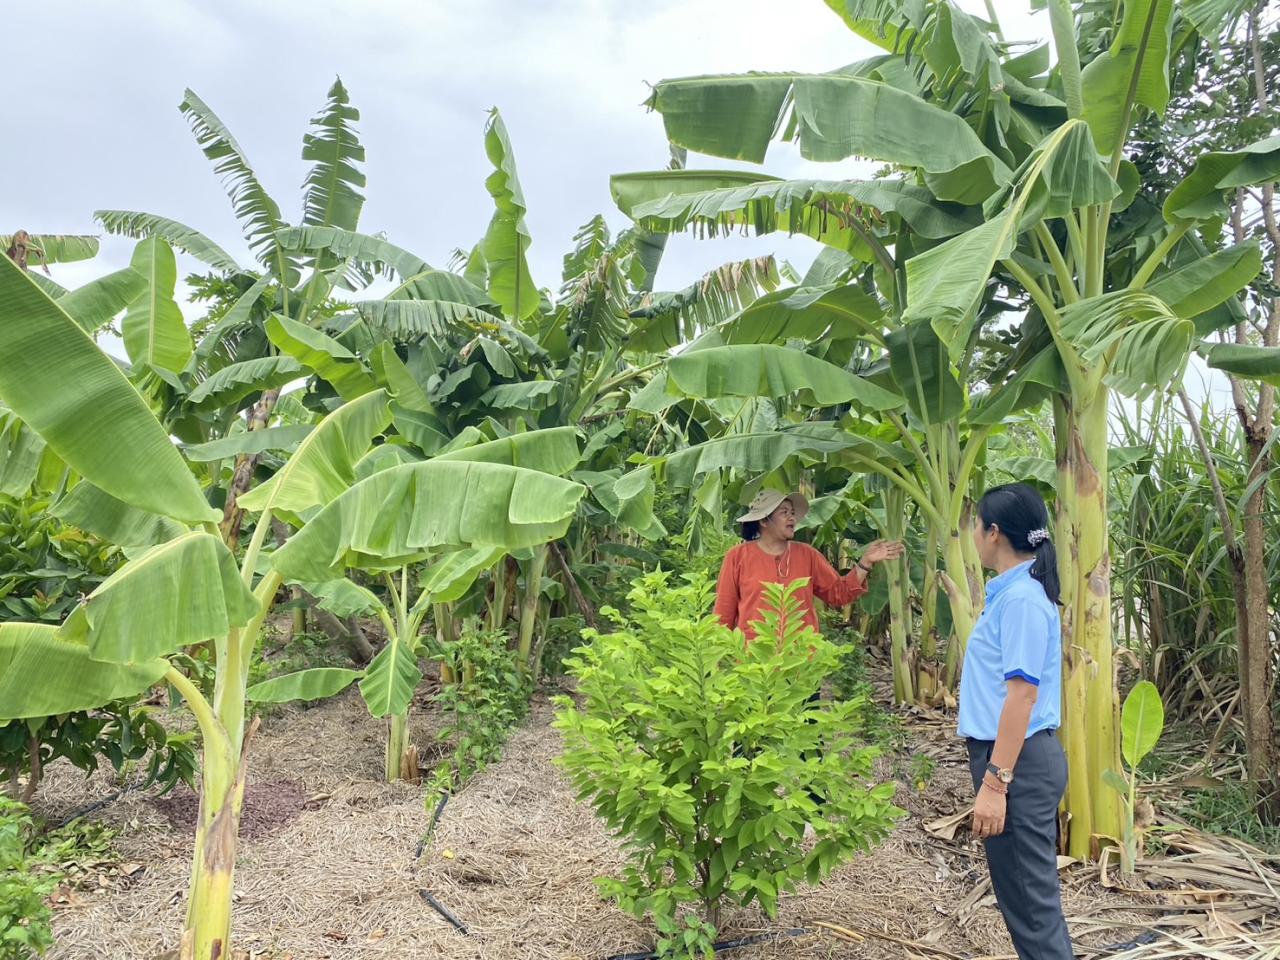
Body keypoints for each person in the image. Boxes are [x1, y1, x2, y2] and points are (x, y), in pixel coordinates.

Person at [959, 482, 1073, 960]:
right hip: (1016, 761)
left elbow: (1022, 697)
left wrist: (996, 781)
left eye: (976, 526)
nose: (974, 535)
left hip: (1018, 764)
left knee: (1031, 909)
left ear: (994, 533)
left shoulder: (1022, 600)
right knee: (1025, 906)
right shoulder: (1012, 594)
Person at [714, 489, 903, 639]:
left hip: (802, 664)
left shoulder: (807, 555)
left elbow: (839, 593)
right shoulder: (737, 557)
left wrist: (865, 562)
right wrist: (717, 661)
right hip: (754, 664)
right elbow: (724, 612)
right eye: (784, 513)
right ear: (764, 520)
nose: (792, 518)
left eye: (793, 513)